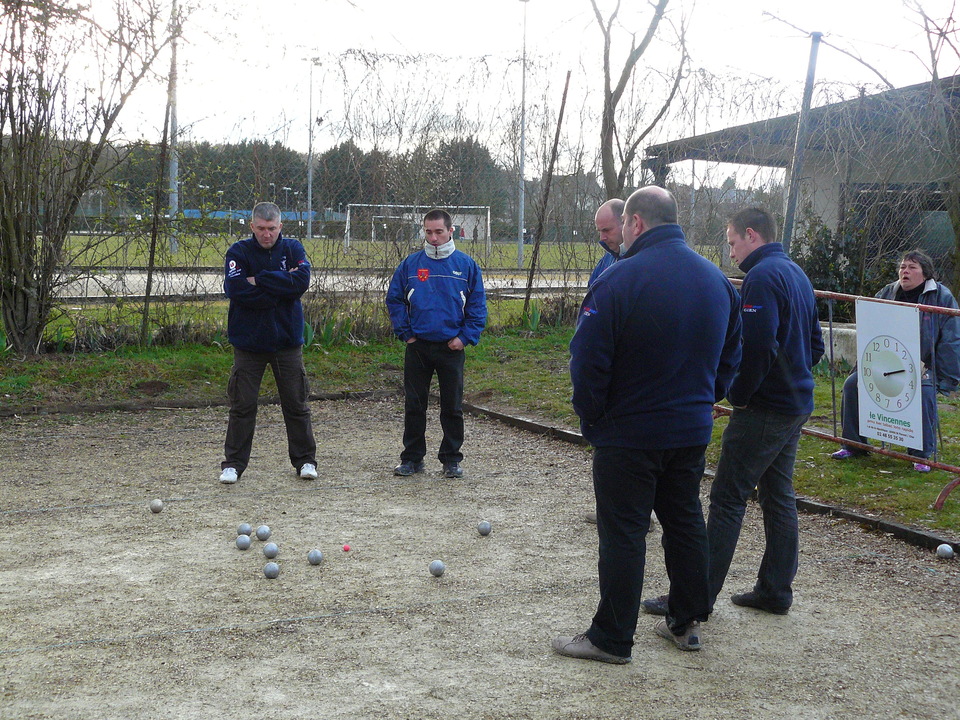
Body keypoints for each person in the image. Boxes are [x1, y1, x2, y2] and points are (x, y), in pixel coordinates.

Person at [552, 186, 742, 664]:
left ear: (635, 223)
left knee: (624, 531)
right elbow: (732, 355)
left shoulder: (619, 280)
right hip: (690, 427)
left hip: (629, 431)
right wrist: (704, 398)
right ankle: (685, 619)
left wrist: (593, 415)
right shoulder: (717, 282)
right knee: (684, 522)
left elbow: (588, 360)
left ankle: (612, 637)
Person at [644, 207, 823, 618]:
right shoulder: (795, 273)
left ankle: (693, 598)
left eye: (730, 242)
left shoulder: (761, 278)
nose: (730, 253)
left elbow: (757, 348)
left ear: (750, 234)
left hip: (765, 409)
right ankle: (775, 589)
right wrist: (792, 375)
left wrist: (738, 395)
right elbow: (814, 347)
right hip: (795, 403)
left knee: (727, 499)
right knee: (779, 496)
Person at [832, 250, 960, 471]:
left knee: (924, 392)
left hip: (922, 365)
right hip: (886, 361)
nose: (905, 272)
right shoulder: (888, 292)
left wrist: (944, 378)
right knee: (852, 385)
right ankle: (853, 445)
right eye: (902, 267)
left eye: (912, 267)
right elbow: (870, 326)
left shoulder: (942, 296)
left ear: (925, 273)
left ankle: (921, 457)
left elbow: (951, 340)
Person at [218, 202, 318, 484]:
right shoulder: (238, 252)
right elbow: (236, 290)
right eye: (261, 229)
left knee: (296, 404)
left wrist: (259, 280)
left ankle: (305, 461)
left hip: (287, 343)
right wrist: (279, 289)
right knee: (242, 405)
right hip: (248, 344)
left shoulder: (293, 249)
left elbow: (300, 282)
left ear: (280, 227)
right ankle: (233, 464)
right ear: (252, 226)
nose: (266, 234)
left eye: (272, 229)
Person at [385, 208, 487, 479]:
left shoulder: (466, 265)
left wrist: (464, 338)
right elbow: (394, 299)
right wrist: (405, 333)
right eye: (428, 232)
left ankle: (451, 459)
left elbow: (478, 307)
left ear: (451, 231)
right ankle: (412, 458)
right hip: (418, 346)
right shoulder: (410, 265)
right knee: (414, 405)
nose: (433, 238)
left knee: (452, 406)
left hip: (451, 348)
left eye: (439, 232)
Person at [583, 199, 624, 525]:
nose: (603, 236)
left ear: (628, 223)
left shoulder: (642, 265)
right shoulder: (604, 264)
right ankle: (610, 506)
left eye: (607, 230)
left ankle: (635, 511)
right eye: (599, 231)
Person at [588, 198, 623, 288]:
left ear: (624, 223)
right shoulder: (606, 260)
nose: (602, 238)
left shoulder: (641, 262)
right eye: (599, 231)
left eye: (606, 230)